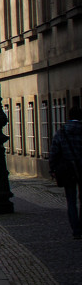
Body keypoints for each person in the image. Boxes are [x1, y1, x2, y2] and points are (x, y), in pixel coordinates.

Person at [48, 101, 82, 240]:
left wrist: (53, 169)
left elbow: (54, 152)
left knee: (71, 201)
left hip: (68, 170)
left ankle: (76, 230)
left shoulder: (62, 132)